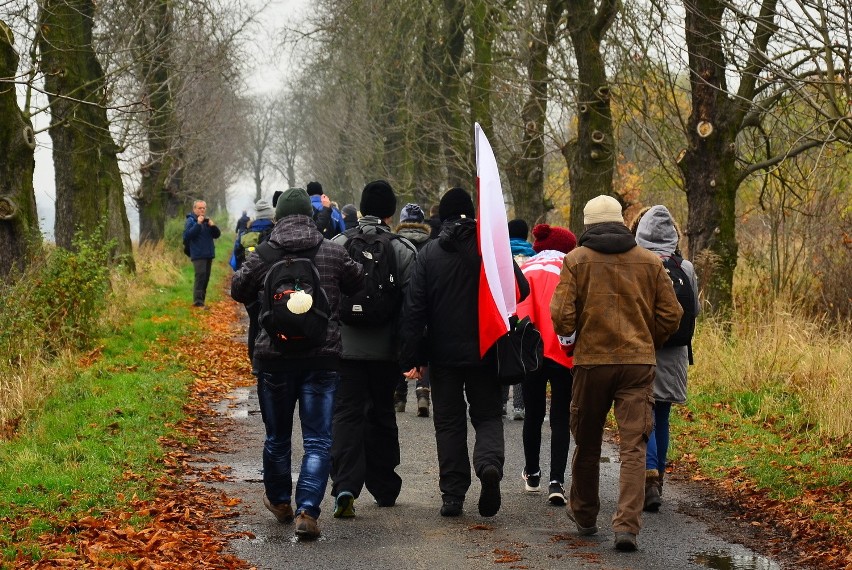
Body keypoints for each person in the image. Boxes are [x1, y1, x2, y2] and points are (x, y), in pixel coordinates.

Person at [230, 187, 364, 540]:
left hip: (274, 357)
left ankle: (279, 501)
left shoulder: (264, 253)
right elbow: (357, 281)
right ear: (310, 215)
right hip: (322, 357)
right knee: (318, 439)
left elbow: (238, 288)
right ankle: (307, 510)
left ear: (278, 218)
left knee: (277, 437)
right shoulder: (332, 252)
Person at [550, 194, 682, 552]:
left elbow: (561, 315)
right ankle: (627, 527)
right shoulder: (648, 261)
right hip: (638, 365)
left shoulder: (576, 261)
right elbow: (672, 314)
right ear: (623, 223)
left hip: (591, 363)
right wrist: (645, 338)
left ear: (588, 224)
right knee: (633, 446)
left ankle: (586, 516)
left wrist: (578, 335)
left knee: (588, 442)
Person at [400, 187, 529, 518]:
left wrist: (412, 357)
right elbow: (521, 288)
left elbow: (414, 309)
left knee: (448, 422)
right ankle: (488, 465)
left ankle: (453, 495)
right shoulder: (490, 248)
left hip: (443, 356)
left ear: (442, 217)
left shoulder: (428, 254)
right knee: (487, 415)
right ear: (472, 214)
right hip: (487, 350)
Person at [329, 181, 417, 518]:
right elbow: (412, 306)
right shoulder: (403, 249)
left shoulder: (338, 243)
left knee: (347, 414)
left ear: (362, 208)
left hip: (345, 349)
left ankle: (346, 486)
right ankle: (384, 487)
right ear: (391, 212)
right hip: (385, 351)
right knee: (382, 413)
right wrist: (409, 352)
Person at [632, 205, 699, 512]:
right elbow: (694, 311)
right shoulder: (683, 267)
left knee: (642, 416)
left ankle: (648, 480)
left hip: (642, 348)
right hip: (674, 354)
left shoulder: (637, 262)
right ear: (673, 234)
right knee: (661, 417)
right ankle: (657, 481)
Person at [516, 223, 577, 505]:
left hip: (532, 351)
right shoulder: (570, 267)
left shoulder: (527, 267)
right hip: (564, 351)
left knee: (533, 413)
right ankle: (557, 481)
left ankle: (532, 473)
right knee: (560, 417)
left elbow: (519, 308)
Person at [392, 203, 433, 417]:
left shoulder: (395, 244)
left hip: (400, 303)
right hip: (423, 303)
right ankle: (423, 394)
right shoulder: (431, 244)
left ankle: (399, 396)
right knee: (424, 345)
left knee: (401, 344)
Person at [232, 198, 276, 362]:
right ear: (271, 215)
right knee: (269, 322)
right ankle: (269, 357)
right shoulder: (275, 232)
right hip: (270, 286)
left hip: (249, 285)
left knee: (254, 322)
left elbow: (236, 261)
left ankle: (254, 358)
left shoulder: (244, 233)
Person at [503, 218, 535, 420]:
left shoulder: (503, 254)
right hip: (528, 310)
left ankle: (500, 403)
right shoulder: (534, 254)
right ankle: (520, 406)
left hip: (507, 310)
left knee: (505, 353)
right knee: (522, 354)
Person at [183, 200, 221, 308]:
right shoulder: (191, 221)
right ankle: (197, 302)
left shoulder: (207, 221)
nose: (202, 210)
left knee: (206, 278)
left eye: (204, 208)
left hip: (208, 254)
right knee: (200, 277)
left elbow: (217, 235)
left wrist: (213, 226)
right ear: (194, 209)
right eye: (199, 208)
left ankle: (201, 301)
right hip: (198, 254)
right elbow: (187, 236)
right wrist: (198, 224)